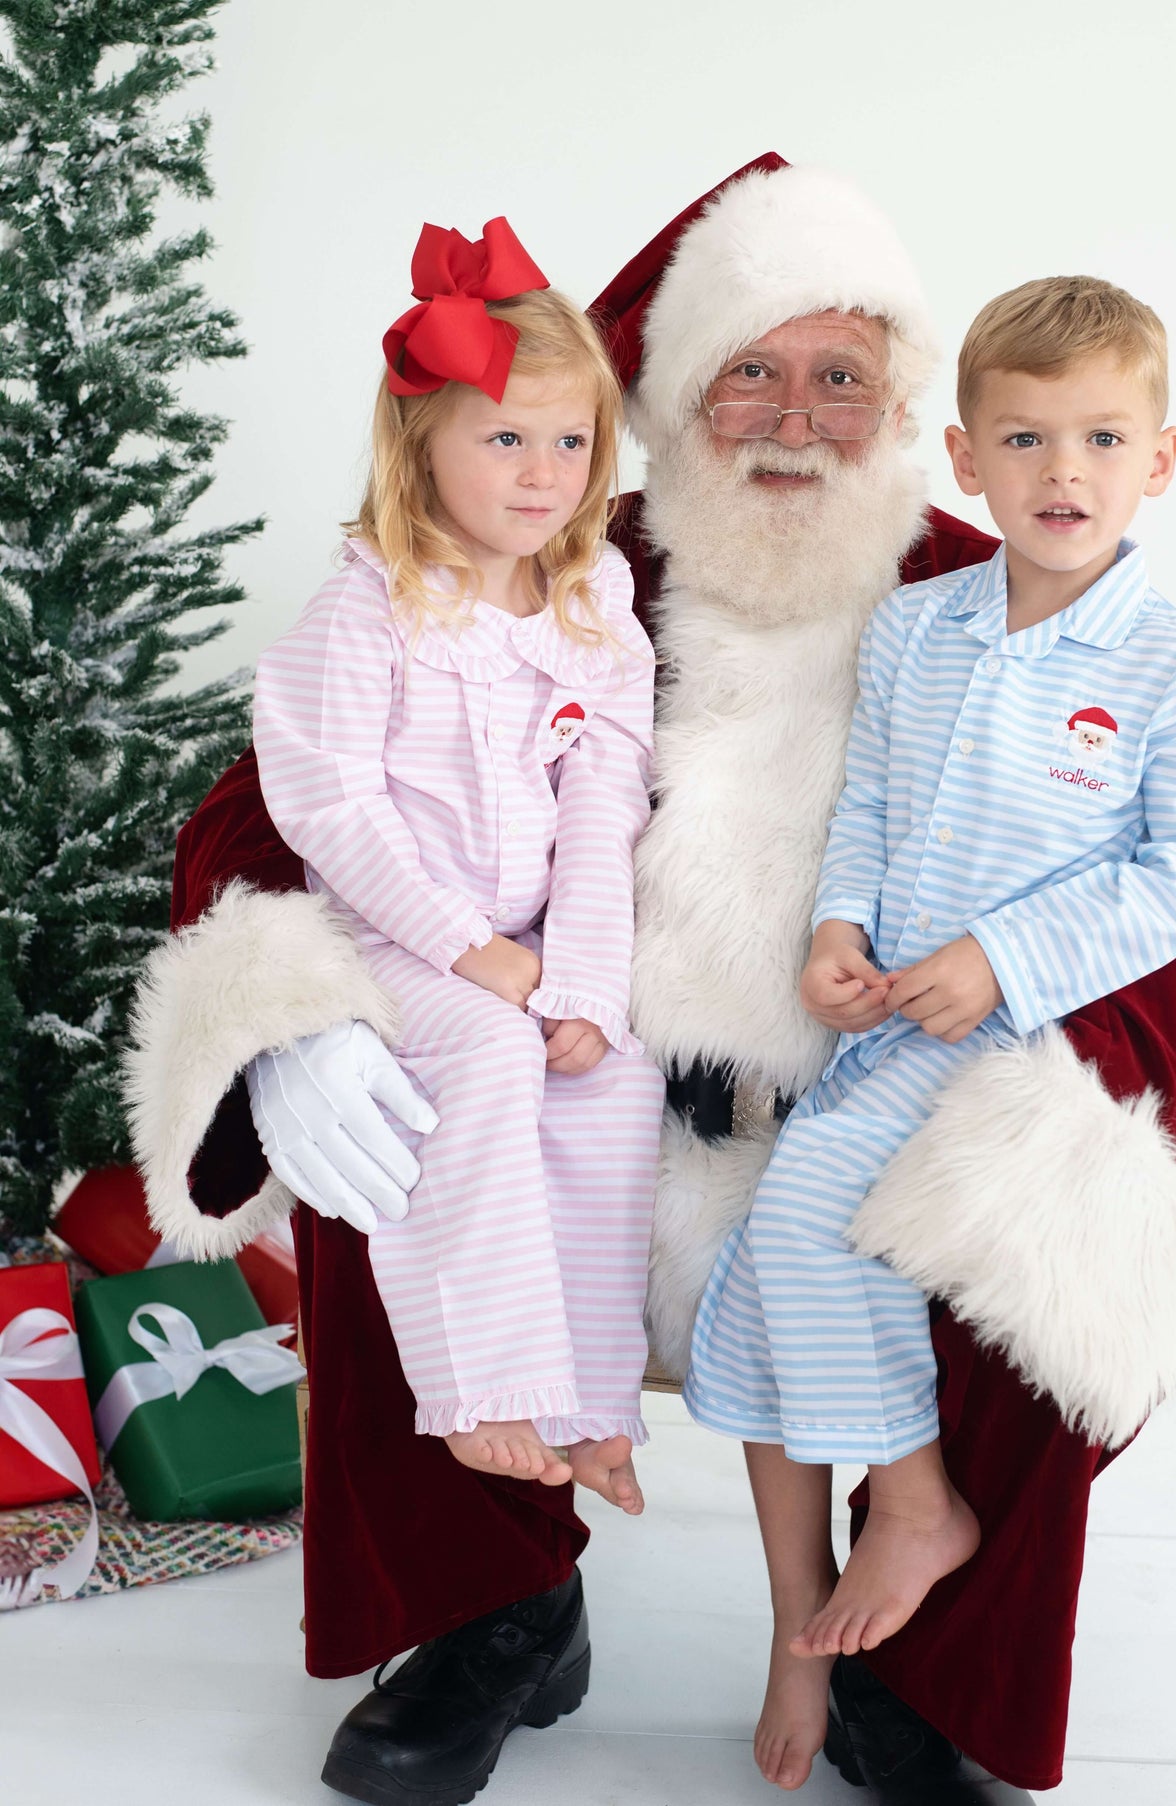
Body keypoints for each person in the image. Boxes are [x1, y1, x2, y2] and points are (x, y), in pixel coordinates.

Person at [125, 157, 1176, 1805]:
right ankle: (494, 1604)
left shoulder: (981, 582)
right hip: (583, 1087)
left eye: (839, 376)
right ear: (666, 396)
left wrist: (1048, 1080)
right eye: (748, 370)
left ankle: (919, 1673)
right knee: (405, 1118)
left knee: (1035, 1199)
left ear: (909, 411)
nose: (792, 416)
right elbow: (271, 789)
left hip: (867, 1106)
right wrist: (280, 1014)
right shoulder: (552, 555)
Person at [683, 275, 1176, 1787]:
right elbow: (866, 803)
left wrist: (1003, 956)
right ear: (962, 458)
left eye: (1101, 439)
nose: (1062, 474)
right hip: (881, 1032)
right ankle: (796, 1625)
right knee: (754, 1293)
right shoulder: (918, 628)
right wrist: (836, 931)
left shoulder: (1167, 663)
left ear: (1161, 461)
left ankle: (921, 1502)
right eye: (1024, 439)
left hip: (1020, 1040)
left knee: (806, 1209)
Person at [249, 220, 663, 1514]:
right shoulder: (372, 603)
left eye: (571, 441)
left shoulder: (592, 603)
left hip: (534, 940)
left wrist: (583, 980)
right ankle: (478, 1385)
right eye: (504, 438)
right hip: (394, 941)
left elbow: (604, 795)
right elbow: (332, 806)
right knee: (482, 1055)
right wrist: (467, 949)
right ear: (420, 443)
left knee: (614, 1082)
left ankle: (593, 1404)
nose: (543, 473)